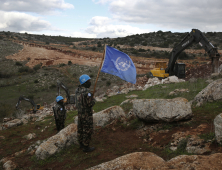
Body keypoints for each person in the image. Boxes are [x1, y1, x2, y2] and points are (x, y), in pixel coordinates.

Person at [75, 74, 96, 152]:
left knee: (80, 128)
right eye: (89, 81)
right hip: (87, 114)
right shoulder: (87, 91)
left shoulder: (77, 90)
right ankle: (86, 147)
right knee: (87, 129)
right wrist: (93, 99)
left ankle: (81, 143)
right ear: (85, 82)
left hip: (80, 113)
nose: (90, 82)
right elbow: (90, 104)